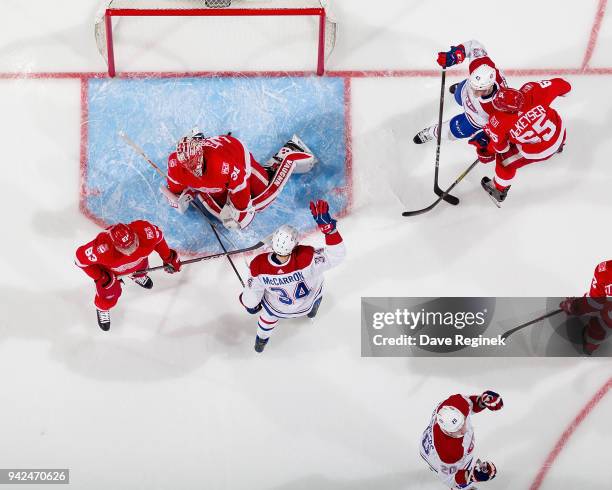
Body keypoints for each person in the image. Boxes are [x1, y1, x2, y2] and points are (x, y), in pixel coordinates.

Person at [239, 200, 346, 352]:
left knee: (267, 317)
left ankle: (260, 343)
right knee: (318, 285)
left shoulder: (259, 265)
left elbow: (251, 300)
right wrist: (329, 231)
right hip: (307, 302)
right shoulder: (307, 257)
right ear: (295, 246)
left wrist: (249, 305)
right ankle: (312, 312)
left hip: (278, 309)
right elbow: (337, 255)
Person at [160, 131, 316, 230]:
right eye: (188, 167)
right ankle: (199, 136)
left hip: (237, 155)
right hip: (220, 172)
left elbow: (241, 189)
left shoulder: (224, 164)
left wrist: (239, 211)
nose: (194, 170)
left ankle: (290, 153)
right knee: (219, 208)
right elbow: (175, 189)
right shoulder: (174, 163)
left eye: (196, 164)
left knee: (261, 197)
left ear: (200, 153)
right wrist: (178, 199)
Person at [469, 77, 571, 202]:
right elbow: (564, 86)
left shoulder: (498, 121)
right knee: (552, 122)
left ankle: (499, 189)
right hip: (559, 132)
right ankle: (559, 146)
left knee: (503, 161)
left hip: (542, 149)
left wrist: (484, 151)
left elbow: (501, 148)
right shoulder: (532, 90)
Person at [75, 220, 181, 330]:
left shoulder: (145, 231)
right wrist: (101, 276)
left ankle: (137, 276)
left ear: (135, 235)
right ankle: (103, 308)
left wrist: (168, 257)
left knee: (142, 269)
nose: (132, 250)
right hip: (113, 274)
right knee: (108, 294)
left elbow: (158, 240)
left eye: (133, 244)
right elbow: (79, 260)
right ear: (115, 245)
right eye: (126, 248)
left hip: (138, 264)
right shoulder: (101, 248)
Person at [414, 40, 507, 144]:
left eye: (478, 90)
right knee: (459, 93)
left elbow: (503, 128)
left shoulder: (499, 106)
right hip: (465, 90)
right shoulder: (480, 65)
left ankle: (431, 133)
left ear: (488, 87)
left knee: (454, 130)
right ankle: (461, 89)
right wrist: (455, 55)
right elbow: (474, 46)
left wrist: (488, 136)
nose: (474, 92)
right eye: (474, 87)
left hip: (476, 119)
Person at [420, 392, 503, 489]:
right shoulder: (450, 452)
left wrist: (483, 401)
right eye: (458, 430)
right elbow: (450, 480)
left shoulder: (458, 403)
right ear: (448, 432)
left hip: (444, 446)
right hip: (435, 457)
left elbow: (470, 403)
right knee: (462, 486)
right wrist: (473, 476)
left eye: (462, 423)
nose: (464, 430)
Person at [560, 259, 612, 355]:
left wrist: (574, 306)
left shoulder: (605, 270)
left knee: (603, 319)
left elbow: (594, 302)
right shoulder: (605, 270)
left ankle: (592, 342)